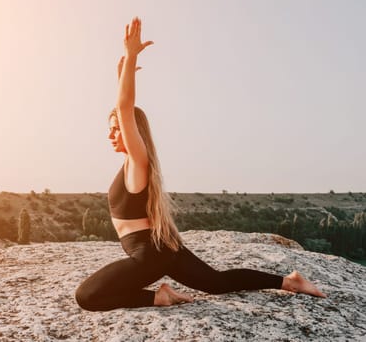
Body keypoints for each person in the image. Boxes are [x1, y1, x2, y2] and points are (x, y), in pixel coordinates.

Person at [75, 17, 327, 312]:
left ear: (134, 132)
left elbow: (125, 107)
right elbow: (123, 108)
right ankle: (289, 281)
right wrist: (122, 76)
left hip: (149, 254)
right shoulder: (133, 165)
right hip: (160, 250)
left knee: (87, 297)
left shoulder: (137, 161)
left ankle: (159, 297)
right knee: (216, 282)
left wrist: (130, 60)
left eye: (116, 128)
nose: (111, 133)